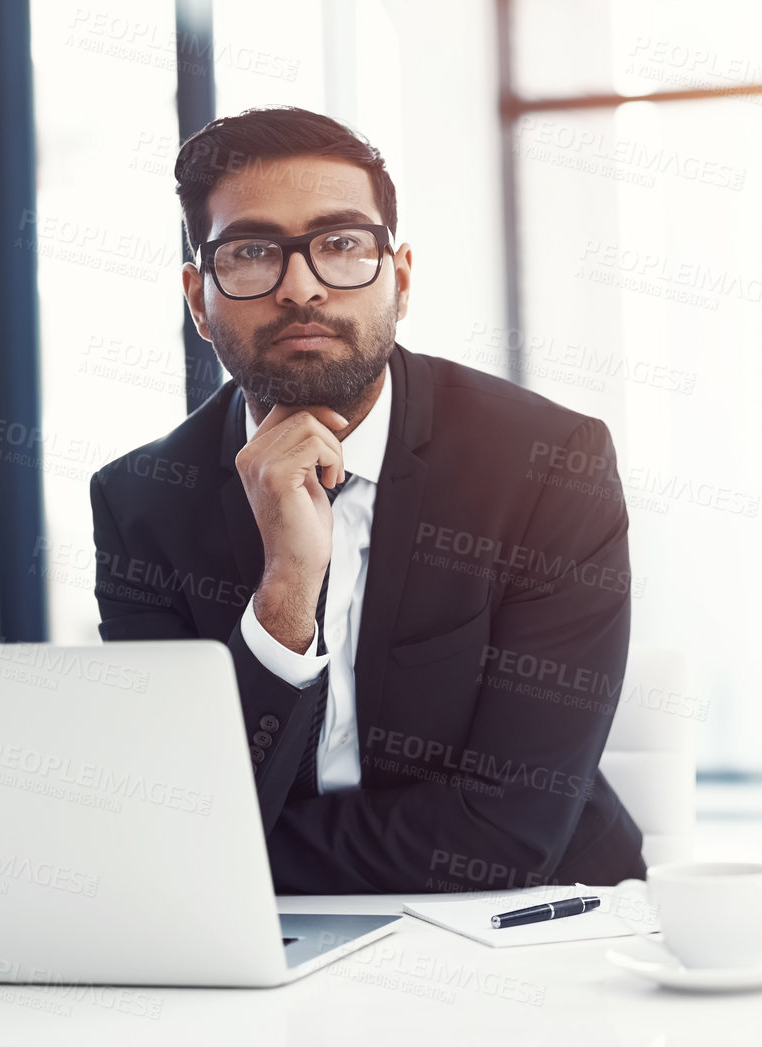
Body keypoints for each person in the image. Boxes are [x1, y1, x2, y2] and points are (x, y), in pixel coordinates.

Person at [88, 106, 646, 893]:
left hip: (537, 920)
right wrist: (285, 592)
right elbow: (172, 814)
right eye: (252, 253)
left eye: (342, 244)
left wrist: (238, 856)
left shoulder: (548, 465)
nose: (302, 288)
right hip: (257, 937)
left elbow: (508, 834)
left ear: (402, 277)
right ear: (198, 299)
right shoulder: (140, 503)